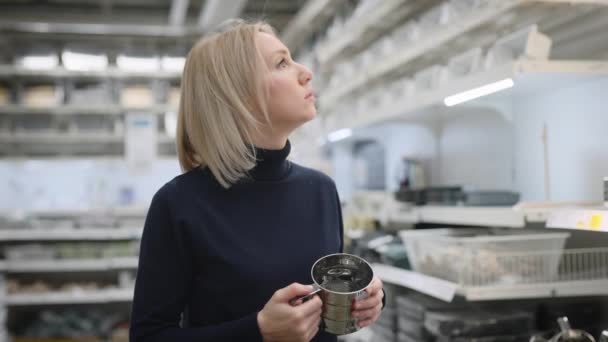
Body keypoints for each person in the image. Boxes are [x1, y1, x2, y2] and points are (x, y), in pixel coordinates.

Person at [129, 19, 384, 342]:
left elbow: (325, 300)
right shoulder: (179, 203)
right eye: (281, 63)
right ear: (237, 95)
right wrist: (257, 331)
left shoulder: (320, 189)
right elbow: (148, 336)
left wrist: (363, 300)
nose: (306, 72)